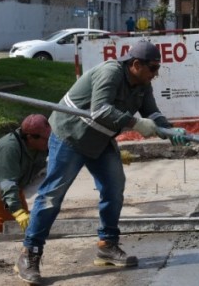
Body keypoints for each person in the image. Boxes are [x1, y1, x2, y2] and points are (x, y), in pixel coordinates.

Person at [14, 40, 190, 285]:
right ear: (135, 64)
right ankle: (29, 253)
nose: (155, 73)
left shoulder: (142, 83)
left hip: (100, 140)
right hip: (71, 136)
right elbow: (101, 110)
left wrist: (171, 131)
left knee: (114, 189)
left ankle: (107, 245)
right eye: (152, 68)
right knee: (52, 195)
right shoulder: (110, 73)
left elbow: (152, 113)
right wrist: (135, 124)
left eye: (157, 68)